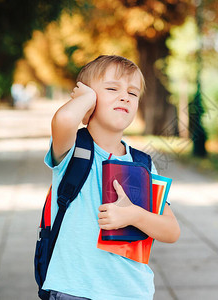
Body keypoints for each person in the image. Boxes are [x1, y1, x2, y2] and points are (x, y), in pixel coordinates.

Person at [43, 55, 180, 300]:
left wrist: (134, 215)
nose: (125, 96)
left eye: (133, 93)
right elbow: (64, 119)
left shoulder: (143, 165)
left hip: (131, 291)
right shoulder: (73, 151)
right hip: (74, 290)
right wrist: (85, 99)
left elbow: (171, 231)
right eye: (111, 88)